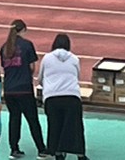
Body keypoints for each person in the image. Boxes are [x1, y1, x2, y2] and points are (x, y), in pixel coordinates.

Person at [0, 20, 45, 157]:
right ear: (23, 30)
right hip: (24, 88)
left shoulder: (4, 48)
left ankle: (14, 149)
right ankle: (41, 149)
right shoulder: (27, 45)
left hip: (9, 89)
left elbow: (4, 67)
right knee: (32, 120)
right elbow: (32, 66)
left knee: (14, 118)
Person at [37, 32, 87, 160]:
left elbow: (40, 78)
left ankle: (57, 152)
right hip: (72, 96)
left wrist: (48, 87)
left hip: (52, 97)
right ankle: (80, 154)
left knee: (54, 125)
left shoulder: (47, 58)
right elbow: (77, 76)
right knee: (76, 127)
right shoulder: (75, 59)